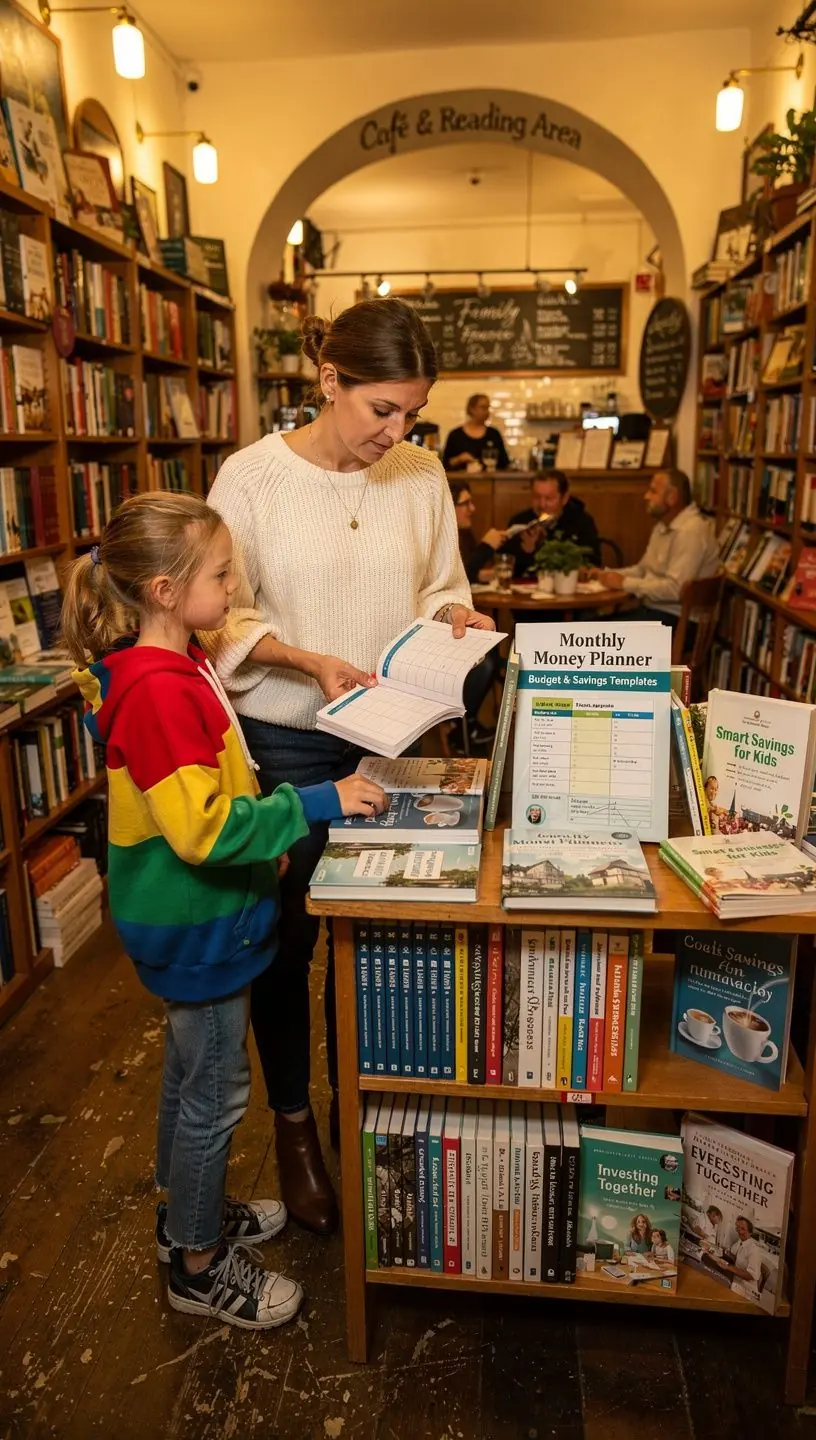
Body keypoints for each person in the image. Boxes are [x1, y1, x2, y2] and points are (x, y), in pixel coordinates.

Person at [203, 297, 493, 1236]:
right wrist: (303, 657)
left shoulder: (421, 473)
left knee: (397, 932)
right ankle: (295, 1128)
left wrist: (457, 618)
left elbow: (443, 583)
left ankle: (382, 1119)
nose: (397, 432)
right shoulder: (247, 480)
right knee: (289, 944)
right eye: (381, 409)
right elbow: (222, 616)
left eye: (412, 412)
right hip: (286, 738)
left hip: (398, 737)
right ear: (329, 381)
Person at [61, 492, 386, 1328]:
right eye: (220, 573)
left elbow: (215, 788)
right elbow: (203, 829)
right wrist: (319, 802)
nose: (236, 582)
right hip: (200, 925)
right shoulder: (159, 692)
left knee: (188, 1075)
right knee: (215, 1093)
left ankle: (185, 1222)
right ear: (164, 591)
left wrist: (263, 834)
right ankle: (200, 1267)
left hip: (200, 918)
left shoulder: (174, 663)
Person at [587, 468, 719, 624]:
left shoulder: (690, 532)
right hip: (653, 614)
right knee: (579, 632)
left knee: (576, 638)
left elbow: (676, 589)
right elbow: (643, 570)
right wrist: (606, 575)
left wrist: (624, 583)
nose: (646, 496)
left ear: (672, 497)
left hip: (677, 622)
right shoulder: (662, 526)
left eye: (653, 491)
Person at [504, 470, 601, 578]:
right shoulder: (520, 522)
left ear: (564, 498)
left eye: (549, 498)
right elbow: (508, 569)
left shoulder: (581, 521)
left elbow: (593, 564)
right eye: (536, 497)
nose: (542, 504)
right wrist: (526, 551)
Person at [450, 480, 508, 583]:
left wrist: (484, 575)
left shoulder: (465, 534)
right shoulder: (435, 542)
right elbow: (454, 580)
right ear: (449, 507)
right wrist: (485, 547)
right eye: (466, 503)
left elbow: (468, 572)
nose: (472, 508)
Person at [442, 393, 510, 471]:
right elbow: (444, 465)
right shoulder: (455, 435)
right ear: (472, 409)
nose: (487, 411)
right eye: (483, 407)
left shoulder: (493, 434)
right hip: (460, 481)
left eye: (488, 408)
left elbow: (505, 463)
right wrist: (459, 459)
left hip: (490, 481)